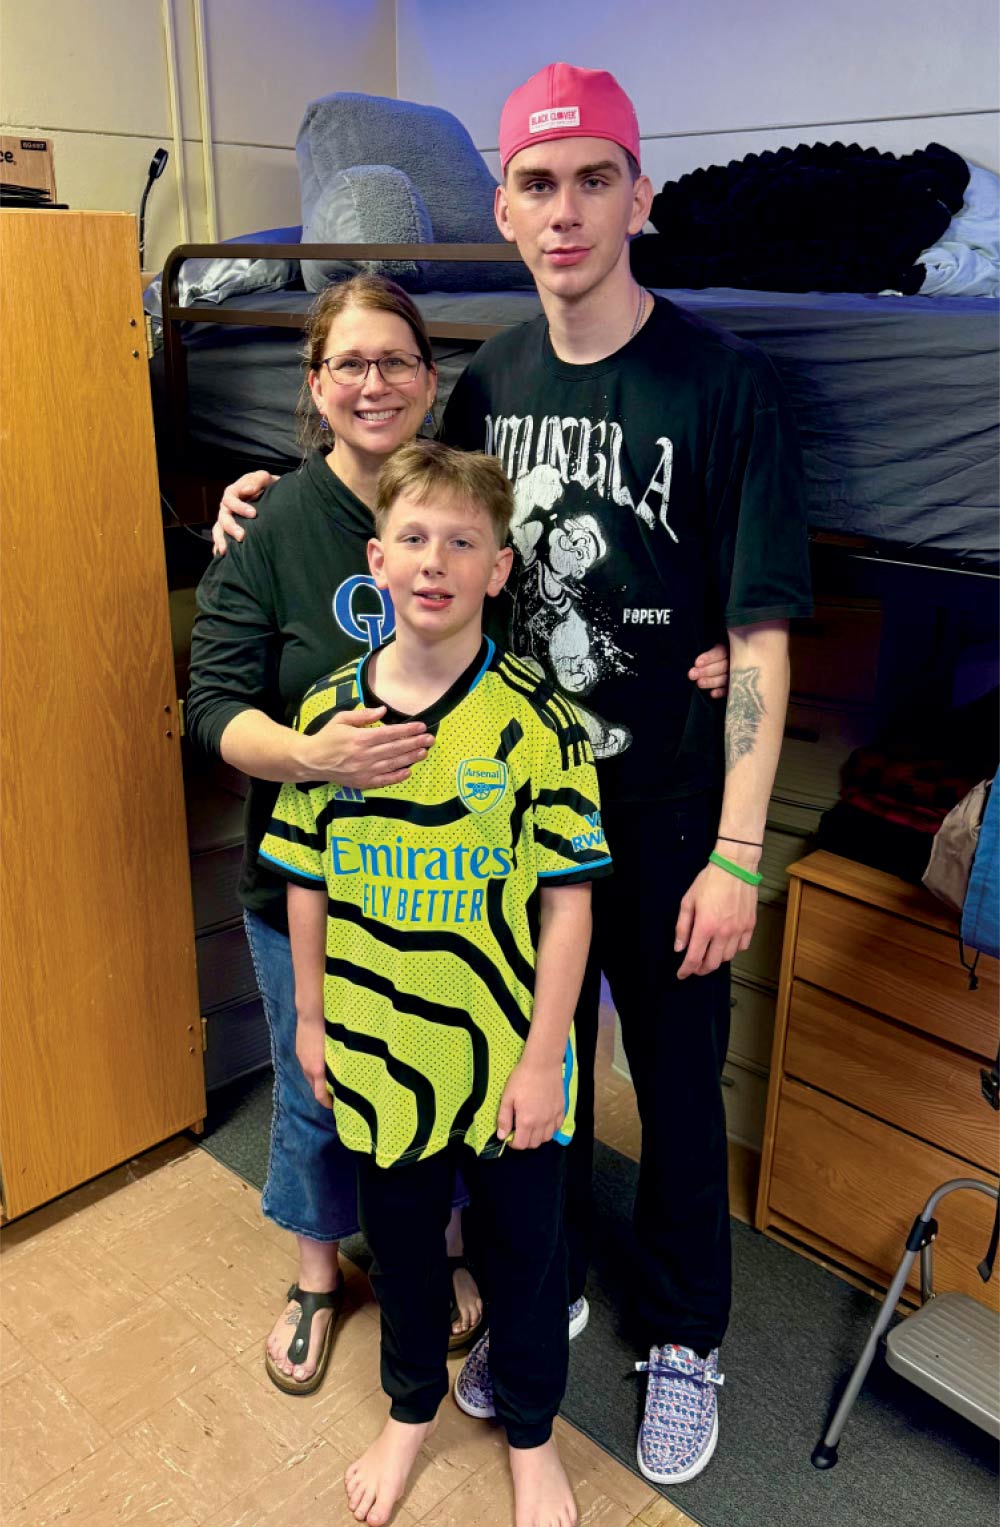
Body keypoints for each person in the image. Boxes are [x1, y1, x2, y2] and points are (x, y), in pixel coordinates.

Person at [434, 62, 813, 1486]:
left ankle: (685, 1335)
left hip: (662, 816)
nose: (566, 210)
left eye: (595, 179)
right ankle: (545, 1291)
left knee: (676, 1086)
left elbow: (759, 634)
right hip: (519, 815)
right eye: (538, 183)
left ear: (639, 196)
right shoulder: (489, 382)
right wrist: (257, 503)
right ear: (504, 209)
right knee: (527, 1071)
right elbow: (417, 538)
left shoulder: (723, 386)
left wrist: (737, 851)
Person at [259, 439, 608, 1527]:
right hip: (376, 1046)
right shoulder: (331, 718)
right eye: (412, 537)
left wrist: (546, 1059)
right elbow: (305, 877)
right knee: (406, 1253)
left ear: (498, 569)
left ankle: (532, 1436)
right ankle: (409, 1411)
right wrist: (311, 1019)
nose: (435, 560)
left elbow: (569, 905)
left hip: (507, 1056)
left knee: (525, 1258)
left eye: (463, 542)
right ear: (378, 559)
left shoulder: (542, 723)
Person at [186, 275, 488, 1396]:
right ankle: (317, 1275)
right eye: (348, 364)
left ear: (429, 379)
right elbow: (213, 706)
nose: (374, 383)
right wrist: (315, 758)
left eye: (395, 360)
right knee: (317, 1088)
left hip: (440, 876)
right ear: (316, 387)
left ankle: (441, 1249)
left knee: (436, 1070)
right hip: (303, 886)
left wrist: (704, 650)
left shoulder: (464, 504)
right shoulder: (269, 525)